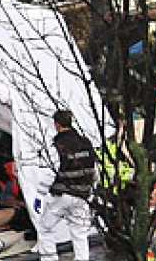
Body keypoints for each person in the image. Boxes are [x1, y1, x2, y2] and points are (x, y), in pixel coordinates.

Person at [37, 110, 96, 261]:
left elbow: (50, 172)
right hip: (83, 195)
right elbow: (94, 169)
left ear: (57, 124)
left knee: (45, 227)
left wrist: (40, 194)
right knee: (79, 233)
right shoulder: (86, 143)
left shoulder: (57, 145)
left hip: (63, 195)